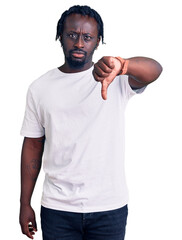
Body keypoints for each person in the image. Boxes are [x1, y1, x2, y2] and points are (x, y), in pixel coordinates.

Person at [19, 5, 162, 240]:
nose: (78, 43)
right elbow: (33, 145)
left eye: (87, 37)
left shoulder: (115, 78)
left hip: (109, 207)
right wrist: (25, 203)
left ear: (97, 42)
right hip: (58, 208)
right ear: (60, 37)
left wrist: (122, 65)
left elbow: (155, 70)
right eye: (72, 35)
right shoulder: (39, 88)